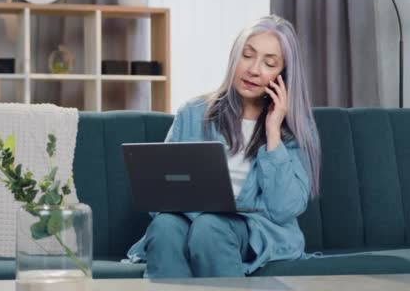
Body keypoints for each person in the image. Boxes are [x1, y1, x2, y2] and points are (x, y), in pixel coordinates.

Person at [126, 14, 321, 278]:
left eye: (269, 63)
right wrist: (196, 213)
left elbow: (283, 209)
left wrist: (273, 132)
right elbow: (159, 196)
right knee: (164, 228)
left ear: (282, 75)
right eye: (247, 55)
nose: (254, 69)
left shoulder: (294, 129)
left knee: (210, 229)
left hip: (256, 229)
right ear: (234, 58)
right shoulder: (192, 113)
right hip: (192, 220)